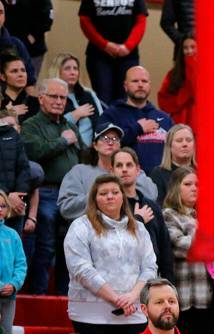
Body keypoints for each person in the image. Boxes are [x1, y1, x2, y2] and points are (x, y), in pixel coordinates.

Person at [64, 174, 156, 334]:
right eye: (103, 193)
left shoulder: (138, 228)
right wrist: (115, 298)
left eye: (115, 192)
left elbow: (150, 267)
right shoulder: (80, 226)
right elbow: (81, 268)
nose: (110, 197)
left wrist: (132, 296)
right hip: (90, 315)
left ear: (123, 197)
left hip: (133, 313)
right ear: (94, 199)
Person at [20, 78, 81, 295]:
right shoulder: (30, 125)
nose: (58, 101)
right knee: (45, 246)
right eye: (53, 96)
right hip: (45, 192)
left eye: (62, 97)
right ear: (41, 98)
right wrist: (62, 142)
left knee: (71, 248)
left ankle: (65, 295)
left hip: (71, 195)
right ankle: (40, 294)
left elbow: (81, 158)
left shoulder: (70, 125)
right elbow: (33, 153)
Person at [163, 166, 214, 334]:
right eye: (188, 184)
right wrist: (206, 234)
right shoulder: (168, 215)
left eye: (197, 184)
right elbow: (182, 246)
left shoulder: (209, 214)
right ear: (176, 188)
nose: (194, 188)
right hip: (184, 299)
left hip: (210, 298)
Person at [58, 122, 158, 222]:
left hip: (130, 225)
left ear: (119, 146)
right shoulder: (79, 171)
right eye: (105, 138)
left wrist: (128, 185)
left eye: (115, 139)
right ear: (95, 145)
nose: (110, 142)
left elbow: (152, 194)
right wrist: (98, 196)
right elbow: (66, 208)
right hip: (91, 228)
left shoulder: (129, 170)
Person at [112, 147, 173, 282]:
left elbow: (165, 248)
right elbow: (111, 243)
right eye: (119, 165)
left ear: (138, 170)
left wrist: (169, 282)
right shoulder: (109, 207)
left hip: (152, 279)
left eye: (129, 165)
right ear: (112, 171)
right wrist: (138, 220)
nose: (124, 169)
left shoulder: (152, 206)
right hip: (120, 279)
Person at [99, 66, 173, 174]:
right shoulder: (111, 115)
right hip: (124, 181)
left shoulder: (165, 118)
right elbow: (105, 145)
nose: (140, 85)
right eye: (135, 81)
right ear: (125, 86)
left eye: (144, 81)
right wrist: (138, 128)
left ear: (149, 85)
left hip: (161, 183)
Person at [78, 0, 147, 104]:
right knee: (103, 97)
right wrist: (105, 45)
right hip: (99, 55)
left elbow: (141, 19)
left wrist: (128, 46)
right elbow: (84, 20)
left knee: (126, 98)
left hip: (128, 56)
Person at [51, 53, 103, 146]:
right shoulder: (50, 96)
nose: (73, 72)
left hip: (91, 151)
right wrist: (75, 115)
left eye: (75, 68)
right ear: (57, 71)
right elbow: (50, 128)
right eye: (67, 68)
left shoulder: (89, 95)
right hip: (64, 152)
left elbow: (102, 122)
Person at [0, 191, 26, 334]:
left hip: (9, 296)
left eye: (2, 206)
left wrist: (14, 284)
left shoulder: (13, 235)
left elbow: (21, 265)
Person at [157, 36, 196, 136]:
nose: (189, 51)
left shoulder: (210, 72)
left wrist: (191, 66)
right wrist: (181, 99)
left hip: (201, 125)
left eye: (193, 47)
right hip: (179, 127)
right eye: (185, 48)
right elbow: (163, 101)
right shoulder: (173, 74)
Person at [147, 122, 194, 204]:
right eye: (179, 141)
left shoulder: (204, 172)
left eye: (189, 140)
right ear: (169, 146)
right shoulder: (158, 173)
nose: (185, 144)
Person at [2, 0, 51, 78]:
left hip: (32, 49)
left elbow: (47, 17)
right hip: (7, 47)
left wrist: (34, 36)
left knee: (28, 80)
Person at [0, 53, 37, 121]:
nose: (20, 75)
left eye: (23, 70)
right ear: (3, 77)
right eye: (14, 71)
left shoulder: (35, 103)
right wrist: (8, 113)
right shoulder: (1, 101)